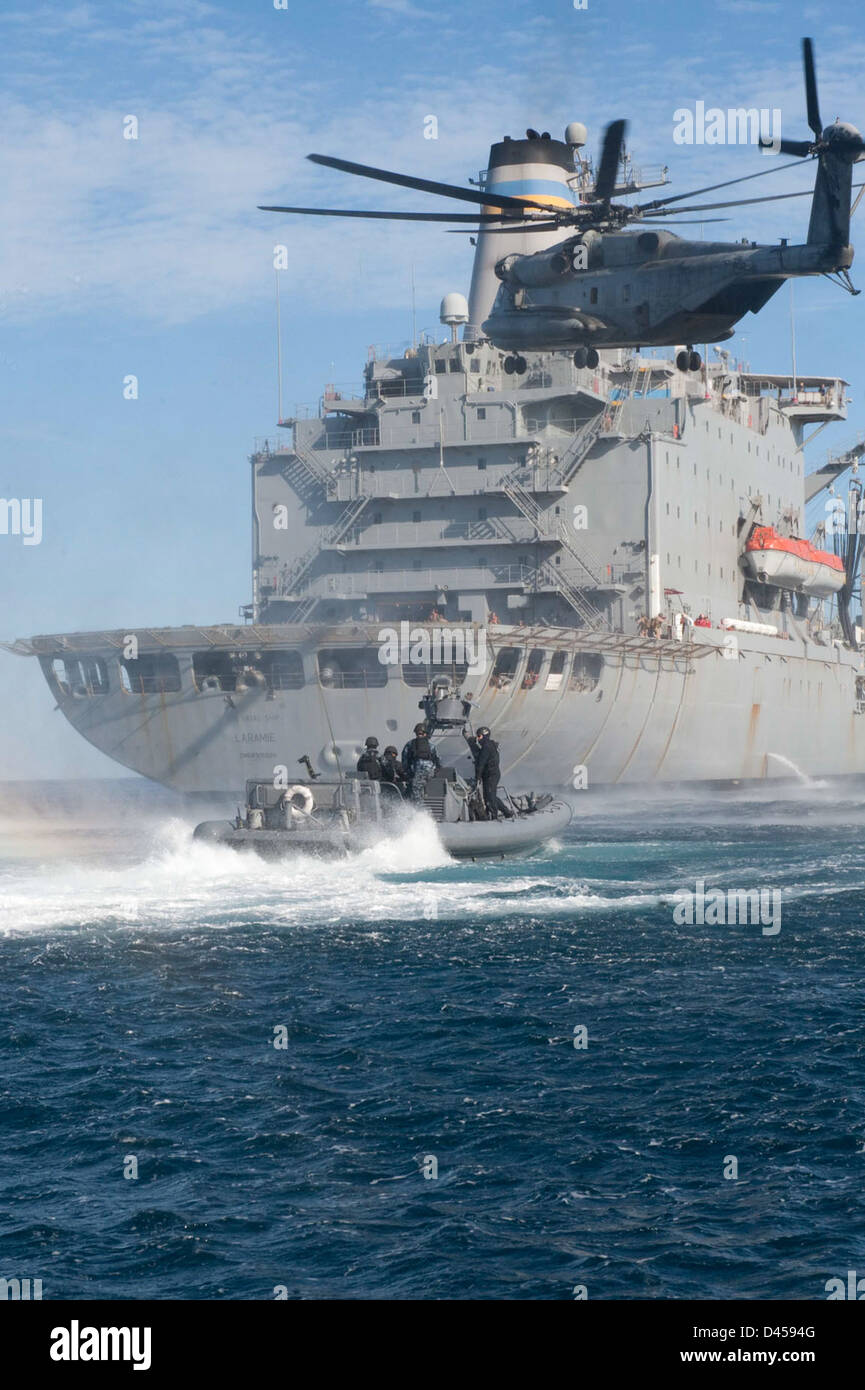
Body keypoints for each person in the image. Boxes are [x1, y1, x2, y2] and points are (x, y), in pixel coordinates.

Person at [463, 725, 513, 820]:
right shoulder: (489, 745)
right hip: (490, 775)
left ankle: (494, 816)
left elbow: (481, 763)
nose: (478, 739)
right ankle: (507, 812)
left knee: (490, 797)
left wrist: (477, 777)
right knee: (490, 796)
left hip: (491, 775)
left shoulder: (486, 747)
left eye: (479, 736)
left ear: (484, 736)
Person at [401, 722, 440, 802]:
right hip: (430, 774)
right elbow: (438, 760)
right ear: (426, 733)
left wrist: (408, 773)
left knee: (414, 793)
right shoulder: (431, 745)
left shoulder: (410, 744)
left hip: (416, 774)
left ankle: (419, 811)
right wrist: (435, 772)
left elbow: (405, 760)